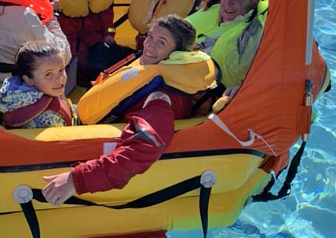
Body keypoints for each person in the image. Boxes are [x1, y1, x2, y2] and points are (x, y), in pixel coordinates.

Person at [41, 15, 217, 206]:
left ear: (177, 54)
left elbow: (144, 148)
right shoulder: (151, 68)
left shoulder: (160, 97)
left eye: (161, 42)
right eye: (150, 37)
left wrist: (76, 180)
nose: (149, 46)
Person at [186, 0, 268, 97]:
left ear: (254, 2)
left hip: (212, 88)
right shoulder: (212, 11)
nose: (229, 3)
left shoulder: (254, 31)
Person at [0, 41, 77, 129]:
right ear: (28, 79)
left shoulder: (19, 94)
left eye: (61, 70)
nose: (60, 78)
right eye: (48, 74)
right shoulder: (48, 119)